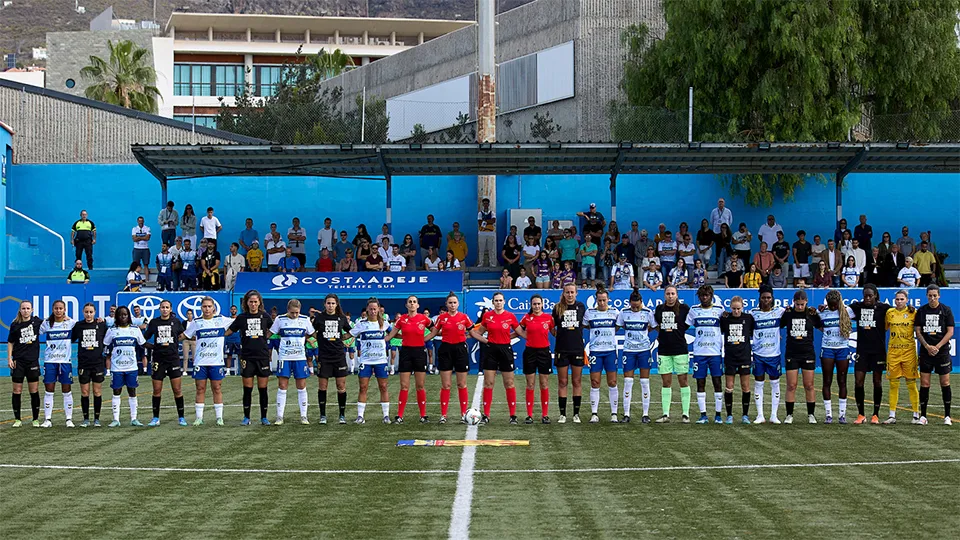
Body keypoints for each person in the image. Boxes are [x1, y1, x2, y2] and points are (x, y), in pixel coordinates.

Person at [180, 297, 232, 426]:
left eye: (209, 306)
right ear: (201, 308)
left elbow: (237, 323)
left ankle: (219, 418)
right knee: (200, 388)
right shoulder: (197, 322)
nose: (207, 309)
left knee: (217, 388)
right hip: (200, 361)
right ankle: (199, 418)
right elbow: (184, 336)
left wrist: (225, 334)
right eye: (204, 306)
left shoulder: (221, 320)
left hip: (216, 361)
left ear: (213, 307)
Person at [469, 292, 519, 424]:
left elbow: (519, 332)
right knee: (488, 383)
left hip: (505, 350)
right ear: (493, 302)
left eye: (500, 300)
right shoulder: (487, 316)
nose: (498, 302)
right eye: (496, 300)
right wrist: (486, 341)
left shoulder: (510, 316)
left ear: (504, 302)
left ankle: (513, 415)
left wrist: (508, 338)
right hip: (491, 351)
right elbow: (477, 333)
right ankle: (486, 415)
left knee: (509, 383)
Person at [386, 296, 434, 423]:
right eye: (410, 302)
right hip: (406, 352)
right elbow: (391, 334)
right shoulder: (401, 319)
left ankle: (423, 415)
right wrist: (379, 340)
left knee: (420, 385)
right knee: (404, 386)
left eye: (414, 302)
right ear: (406, 305)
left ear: (418, 305)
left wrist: (424, 339)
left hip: (419, 353)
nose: (412, 304)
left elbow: (435, 330)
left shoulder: (424, 319)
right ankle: (400, 415)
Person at [268, 299, 315, 425]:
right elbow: (270, 333)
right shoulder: (280, 319)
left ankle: (304, 416)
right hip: (284, 357)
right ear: (288, 310)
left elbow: (312, 334)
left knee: (301, 386)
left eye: (297, 312)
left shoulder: (305, 320)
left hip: (300, 357)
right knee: (282, 386)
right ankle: (279, 416)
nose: (295, 315)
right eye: (292, 312)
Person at [848, 284, 890, 424]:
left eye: (870, 296)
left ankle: (875, 415)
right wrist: (825, 307)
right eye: (865, 295)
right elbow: (841, 311)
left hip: (878, 351)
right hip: (862, 351)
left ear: (875, 296)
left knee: (877, 382)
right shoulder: (857, 307)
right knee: (859, 382)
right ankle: (861, 414)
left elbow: (898, 313)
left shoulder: (884, 308)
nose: (867, 298)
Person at [780, 289, 823, 424]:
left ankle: (811, 414)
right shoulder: (788, 314)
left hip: (808, 353)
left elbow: (822, 327)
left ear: (806, 302)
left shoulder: (811, 314)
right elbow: (777, 326)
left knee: (809, 385)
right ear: (794, 302)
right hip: (792, 353)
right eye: (797, 304)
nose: (799, 307)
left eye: (802, 304)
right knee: (791, 385)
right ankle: (789, 415)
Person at [346, 298, 392, 424]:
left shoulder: (385, 324)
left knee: (383, 387)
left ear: (378, 310)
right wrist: (333, 337)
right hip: (365, 361)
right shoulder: (361, 324)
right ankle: (360, 416)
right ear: (367, 309)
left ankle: (386, 416)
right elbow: (349, 335)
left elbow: (394, 333)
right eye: (370, 309)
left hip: (381, 360)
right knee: (363, 387)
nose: (372, 311)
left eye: (374, 309)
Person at [613, 288, 656, 423]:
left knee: (644, 382)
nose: (635, 308)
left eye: (637, 306)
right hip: (629, 350)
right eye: (633, 306)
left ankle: (645, 414)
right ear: (630, 303)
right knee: (628, 382)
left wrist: (645, 332)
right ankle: (626, 414)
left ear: (641, 303)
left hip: (644, 350)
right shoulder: (624, 313)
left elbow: (654, 326)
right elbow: (617, 327)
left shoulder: (648, 312)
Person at [141, 300, 186, 427]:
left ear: (171, 309)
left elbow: (182, 335)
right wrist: (152, 347)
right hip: (158, 360)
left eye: (167, 307)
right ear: (159, 309)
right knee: (156, 390)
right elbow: (144, 339)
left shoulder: (176, 322)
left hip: (173, 359)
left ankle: (181, 417)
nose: (164, 309)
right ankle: (155, 418)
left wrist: (175, 344)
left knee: (177, 389)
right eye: (162, 307)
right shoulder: (154, 322)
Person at [685, 285, 724, 424]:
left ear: (711, 296)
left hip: (715, 353)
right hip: (699, 353)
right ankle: (703, 415)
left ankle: (718, 415)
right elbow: (685, 326)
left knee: (717, 382)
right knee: (700, 382)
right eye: (702, 295)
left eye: (707, 295)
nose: (704, 298)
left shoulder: (719, 310)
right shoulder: (694, 310)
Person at [581, 286, 621, 423]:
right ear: (596, 300)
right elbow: (586, 325)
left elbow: (618, 326)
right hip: (595, 351)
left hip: (610, 351)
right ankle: (594, 413)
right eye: (599, 300)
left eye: (604, 300)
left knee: (612, 382)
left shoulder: (615, 312)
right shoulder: (589, 313)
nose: (602, 303)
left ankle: (614, 413)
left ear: (608, 300)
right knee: (595, 382)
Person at [915, 284, 954, 425]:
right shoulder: (921, 311)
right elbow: (918, 331)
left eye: (934, 295)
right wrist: (927, 346)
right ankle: (923, 416)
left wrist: (937, 346)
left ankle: (947, 416)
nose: (932, 298)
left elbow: (950, 331)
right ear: (927, 296)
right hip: (926, 352)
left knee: (945, 382)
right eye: (930, 295)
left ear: (939, 296)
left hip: (942, 352)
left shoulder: (946, 310)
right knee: (925, 383)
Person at [513, 294, 554, 424]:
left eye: (538, 304)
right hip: (530, 352)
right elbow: (519, 331)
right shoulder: (526, 318)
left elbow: (554, 332)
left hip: (544, 352)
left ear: (542, 304)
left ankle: (545, 415)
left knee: (544, 384)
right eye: (534, 304)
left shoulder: (549, 318)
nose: (536, 306)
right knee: (530, 384)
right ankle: (529, 415)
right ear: (531, 305)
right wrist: (504, 337)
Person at [313, 294, 354, 424]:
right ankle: (322, 416)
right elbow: (311, 332)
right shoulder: (319, 317)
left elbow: (351, 332)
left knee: (341, 386)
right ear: (324, 304)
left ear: (337, 305)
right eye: (328, 303)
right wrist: (318, 339)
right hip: (324, 357)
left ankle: (342, 415)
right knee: (323, 386)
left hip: (338, 356)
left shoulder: (341, 318)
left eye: (333, 303)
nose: (330, 306)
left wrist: (343, 339)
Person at [653, 286, 692, 423]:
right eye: (668, 293)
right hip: (664, 350)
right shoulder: (659, 309)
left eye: (673, 293)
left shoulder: (684, 309)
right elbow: (657, 325)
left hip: (680, 349)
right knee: (666, 382)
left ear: (677, 295)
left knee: (683, 381)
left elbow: (685, 325)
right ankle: (665, 414)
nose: (670, 296)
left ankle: (685, 414)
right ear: (664, 295)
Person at [103, 306, 146, 428]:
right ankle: (116, 419)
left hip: (131, 367)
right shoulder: (112, 330)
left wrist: (157, 347)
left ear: (129, 316)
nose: (123, 317)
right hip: (116, 368)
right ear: (117, 316)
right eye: (121, 315)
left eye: (125, 314)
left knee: (132, 391)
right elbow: (105, 344)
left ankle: (134, 418)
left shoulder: (135, 329)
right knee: (116, 391)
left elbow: (143, 343)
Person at [748, 286, 785, 424]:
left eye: (768, 298)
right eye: (763, 298)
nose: (766, 300)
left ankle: (774, 415)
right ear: (759, 299)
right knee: (758, 384)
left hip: (774, 355)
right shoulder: (753, 313)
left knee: (775, 384)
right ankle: (760, 415)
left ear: (772, 299)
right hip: (758, 354)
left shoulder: (779, 312)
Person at [884, 289, 921, 424]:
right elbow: (884, 328)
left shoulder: (913, 313)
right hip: (893, 352)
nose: (899, 301)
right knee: (893, 384)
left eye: (902, 299)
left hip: (909, 352)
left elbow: (919, 330)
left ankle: (916, 415)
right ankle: (892, 415)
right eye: (897, 299)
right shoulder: (890, 313)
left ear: (906, 300)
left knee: (911, 384)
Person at [551, 283, 586, 423]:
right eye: (567, 292)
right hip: (562, 350)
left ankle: (576, 414)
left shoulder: (581, 307)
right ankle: (563, 414)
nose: (570, 295)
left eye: (572, 292)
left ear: (576, 293)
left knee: (576, 381)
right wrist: (560, 336)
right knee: (562, 381)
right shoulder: (557, 308)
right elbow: (551, 327)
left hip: (577, 348)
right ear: (563, 293)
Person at [819, 290, 854, 424]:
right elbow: (816, 322)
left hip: (842, 349)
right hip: (827, 349)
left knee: (842, 381)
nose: (833, 307)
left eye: (835, 305)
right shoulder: (822, 312)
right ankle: (828, 415)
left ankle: (842, 415)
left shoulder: (848, 311)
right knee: (827, 381)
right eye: (830, 305)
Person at [7, 301, 43, 427]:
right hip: (18, 362)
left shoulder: (37, 322)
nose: (26, 310)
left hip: (32, 361)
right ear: (20, 310)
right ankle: (17, 419)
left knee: (34, 390)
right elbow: (10, 342)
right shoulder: (15, 325)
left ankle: (35, 419)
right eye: (23, 308)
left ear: (32, 310)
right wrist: (9, 358)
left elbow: (54, 320)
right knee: (17, 390)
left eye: (28, 308)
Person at [719, 296, 755, 424]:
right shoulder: (725, 319)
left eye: (738, 308)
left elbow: (753, 332)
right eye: (734, 309)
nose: (736, 311)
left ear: (743, 307)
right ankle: (729, 415)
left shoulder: (748, 318)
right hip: (730, 356)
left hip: (744, 356)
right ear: (730, 308)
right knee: (729, 387)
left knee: (745, 386)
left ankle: (745, 415)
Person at [477, 198, 498, 267]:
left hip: (491, 233)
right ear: (483, 204)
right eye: (484, 203)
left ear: (488, 204)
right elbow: (480, 222)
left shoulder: (492, 213)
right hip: (482, 233)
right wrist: (488, 222)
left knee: (491, 249)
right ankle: (480, 263)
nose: (485, 205)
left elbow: (493, 221)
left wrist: (485, 221)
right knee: (481, 249)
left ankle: (492, 263)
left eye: (487, 203)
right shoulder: (480, 213)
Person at [131, 216, 152, 280]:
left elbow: (147, 238)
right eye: (139, 221)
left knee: (146, 264)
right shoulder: (134, 229)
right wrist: (143, 237)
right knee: (136, 265)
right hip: (137, 248)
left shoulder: (147, 228)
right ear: (137, 222)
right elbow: (134, 239)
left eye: (142, 221)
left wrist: (139, 238)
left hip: (145, 248)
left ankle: (147, 279)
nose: (141, 222)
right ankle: (135, 278)